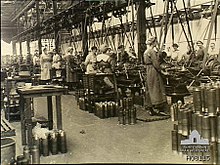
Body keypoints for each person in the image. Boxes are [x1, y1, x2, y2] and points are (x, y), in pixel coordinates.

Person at [143, 37, 169, 116]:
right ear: (153, 43)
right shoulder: (152, 52)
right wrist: (162, 71)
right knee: (156, 87)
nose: (156, 43)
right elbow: (156, 63)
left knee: (150, 88)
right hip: (153, 71)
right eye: (156, 42)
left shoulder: (146, 51)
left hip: (148, 70)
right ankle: (157, 107)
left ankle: (150, 107)